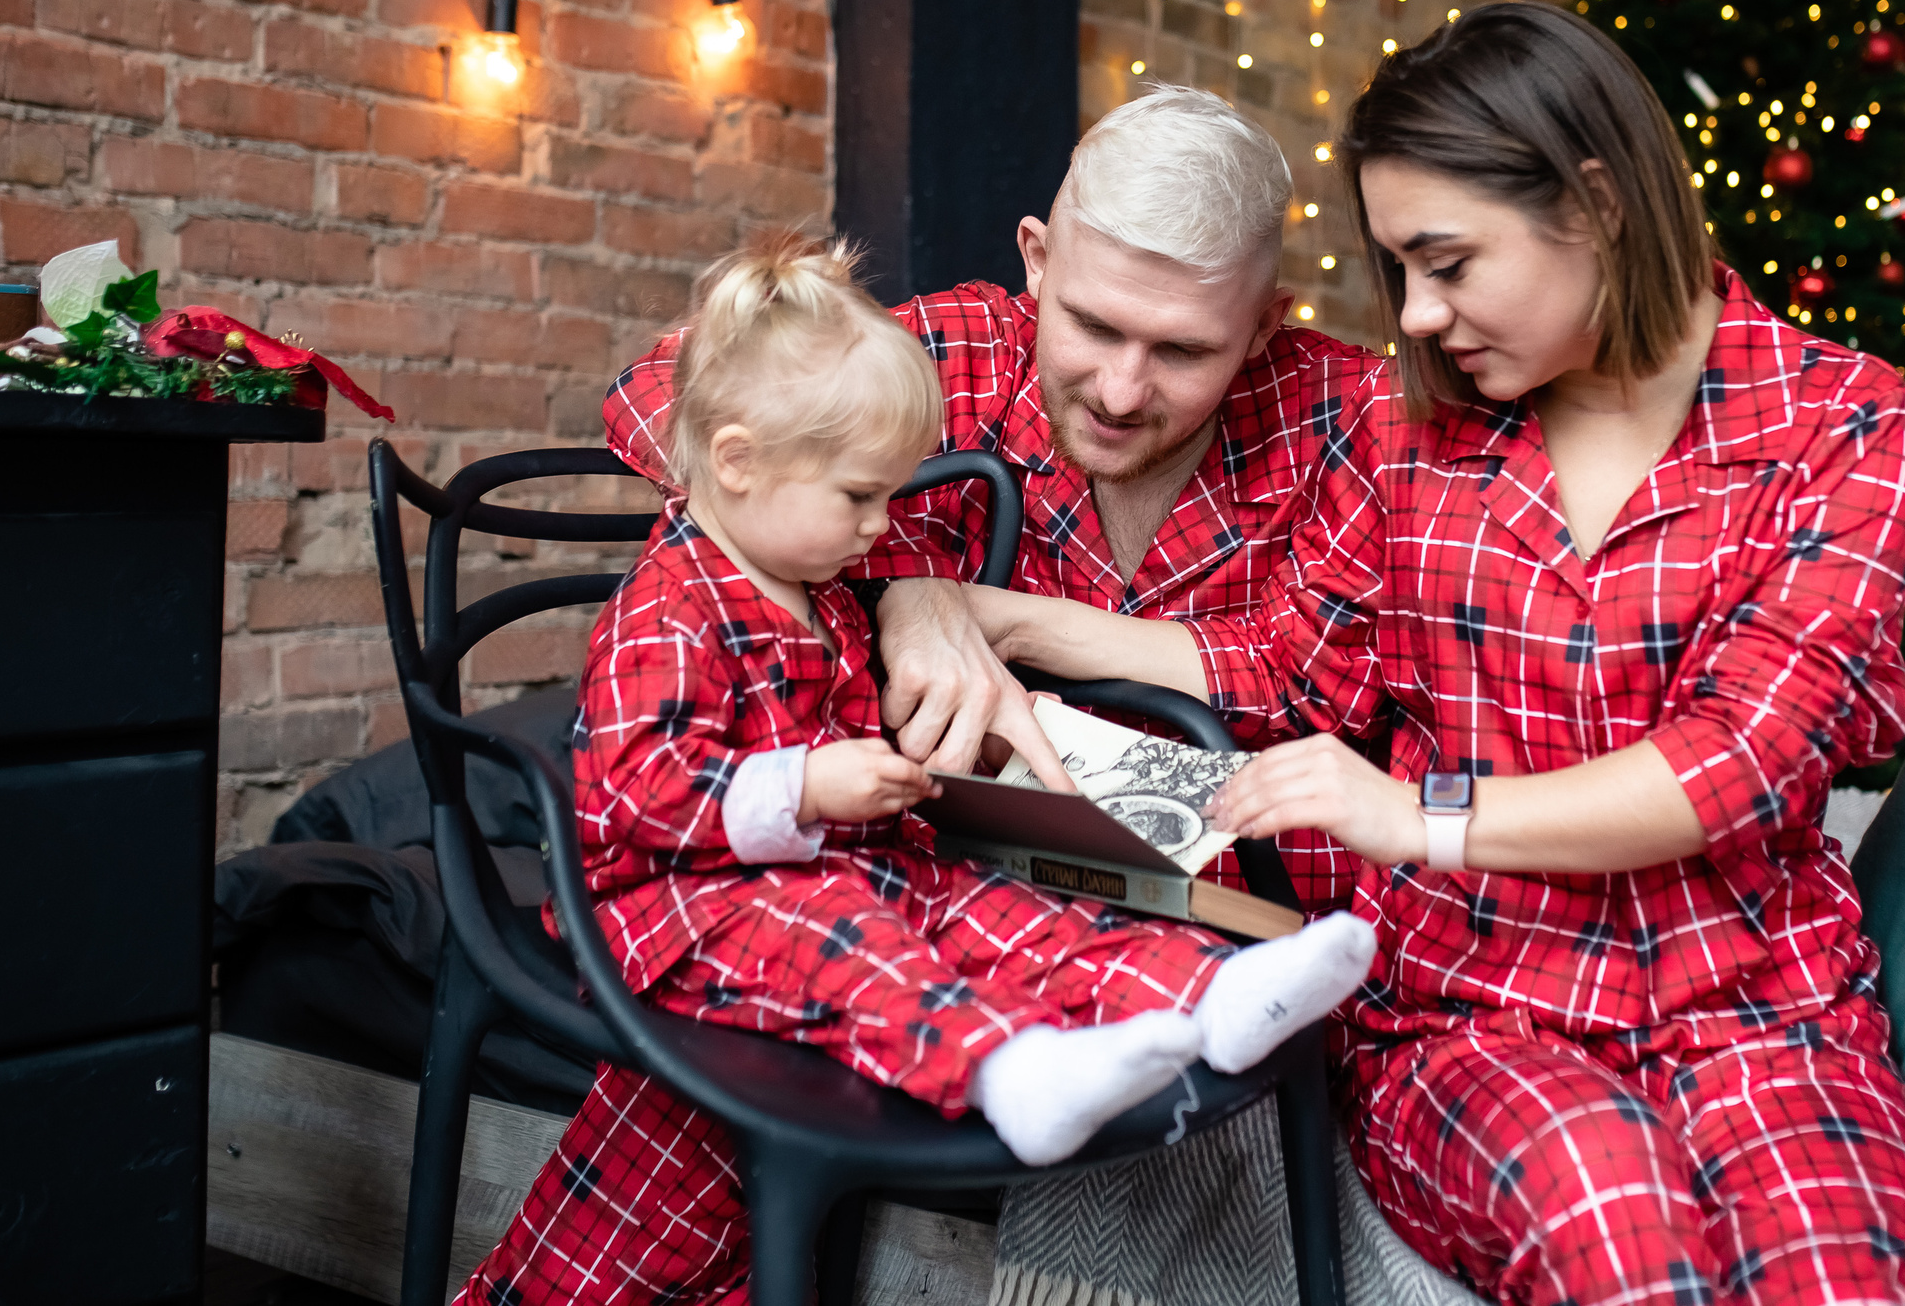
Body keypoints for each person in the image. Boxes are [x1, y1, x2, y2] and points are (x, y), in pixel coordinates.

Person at [970, 5, 1905, 1306]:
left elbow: (1742, 763)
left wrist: (1415, 812)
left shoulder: (1840, 419)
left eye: (1445, 259)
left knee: (1843, 1279)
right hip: (1472, 1012)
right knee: (1623, 1245)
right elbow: (1286, 663)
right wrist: (981, 615)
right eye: (1400, 269)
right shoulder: (1414, 431)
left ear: (1597, 202)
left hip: (1760, 1010)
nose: (1423, 313)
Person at [460, 233, 1375, 1306]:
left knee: (1010, 916)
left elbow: (1297, 667)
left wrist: (941, 733)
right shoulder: (669, 607)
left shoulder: (817, 582)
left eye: (1179, 346)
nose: (885, 528)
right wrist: (806, 788)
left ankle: (1213, 993)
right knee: (858, 950)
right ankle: (1002, 1068)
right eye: (858, 498)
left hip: (848, 857)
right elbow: (626, 794)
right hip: (685, 898)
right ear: (741, 462)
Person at [600, 85, 1380, 797]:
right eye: (1093, 326)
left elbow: (1315, 678)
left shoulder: (1348, 411)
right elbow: (656, 390)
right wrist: (885, 588)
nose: (1119, 391)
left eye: (1183, 352)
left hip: (1257, 887)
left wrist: (977, 610)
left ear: (1261, 328)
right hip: (961, 869)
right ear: (1037, 262)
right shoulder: (974, 346)